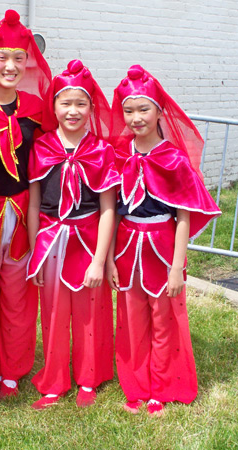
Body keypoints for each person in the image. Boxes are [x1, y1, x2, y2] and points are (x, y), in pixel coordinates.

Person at [107, 65, 221, 416]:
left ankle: (163, 386)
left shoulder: (173, 158)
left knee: (164, 318)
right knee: (131, 317)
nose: (136, 118)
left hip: (161, 245)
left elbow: (183, 216)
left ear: (159, 111)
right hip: (126, 246)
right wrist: (109, 258)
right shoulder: (118, 153)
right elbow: (112, 211)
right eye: (128, 110)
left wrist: (177, 267)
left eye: (144, 109)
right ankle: (136, 385)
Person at [0, 9, 52, 399]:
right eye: (3, 57)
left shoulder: (37, 107)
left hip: (23, 213)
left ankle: (14, 371)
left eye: (20, 58)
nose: (11, 65)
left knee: (19, 298)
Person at [27, 60, 120, 410]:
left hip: (87, 237)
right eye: (65, 103)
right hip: (51, 238)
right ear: (54, 107)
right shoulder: (42, 146)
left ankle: (88, 377)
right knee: (52, 311)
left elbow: (108, 208)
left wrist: (99, 260)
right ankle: (53, 381)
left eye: (81, 103)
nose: (73, 110)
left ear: (92, 108)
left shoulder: (101, 150)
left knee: (89, 310)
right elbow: (35, 203)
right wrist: (37, 250)